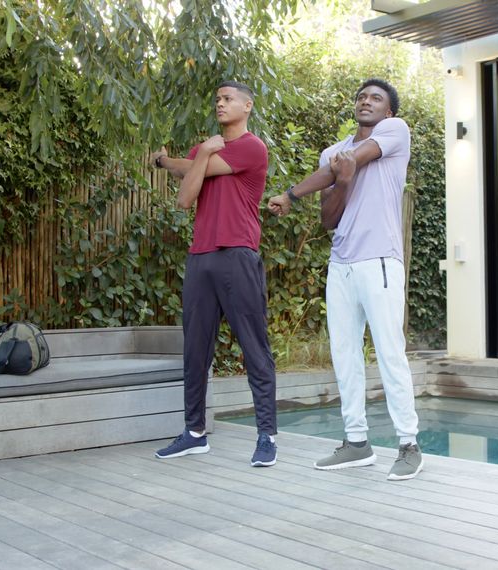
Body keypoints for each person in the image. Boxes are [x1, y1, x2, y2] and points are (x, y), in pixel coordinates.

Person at [267, 78, 422, 481]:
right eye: (361, 96)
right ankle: (357, 442)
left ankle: (408, 444)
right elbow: (330, 218)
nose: (366, 101)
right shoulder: (332, 153)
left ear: (388, 111)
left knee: (390, 353)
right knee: (344, 354)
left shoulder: (395, 131)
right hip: (342, 264)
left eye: (376, 98)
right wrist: (340, 180)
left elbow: (357, 158)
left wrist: (293, 192)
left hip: (380, 261)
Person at [150, 81, 277, 467]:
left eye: (228, 99)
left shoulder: (252, 147)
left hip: (237, 254)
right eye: (217, 100)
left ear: (248, 105)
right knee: (195, 349)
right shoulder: (206, 150)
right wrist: (180, 159)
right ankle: (194, 433)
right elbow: (185, 197)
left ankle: (267, 435)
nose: (220, 104)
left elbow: (192, 169)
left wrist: (187, 159)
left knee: (254, 347)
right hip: (200, 256)